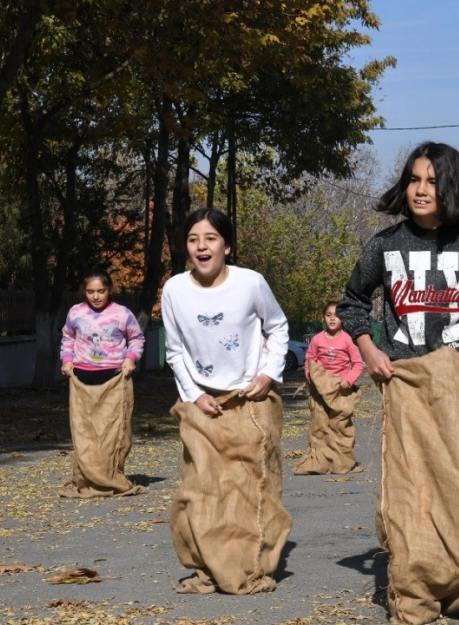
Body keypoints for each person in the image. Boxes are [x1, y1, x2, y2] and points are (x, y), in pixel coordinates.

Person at [337, 141, 459, 624]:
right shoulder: (383, 245)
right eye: (415, 179)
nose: (422, 190)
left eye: (433, 180)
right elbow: (353, 303)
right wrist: (369, 350)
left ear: (451, 187)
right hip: (407, 383)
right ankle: (416, 585)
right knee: (413, 489)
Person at [161, 208, 292, 594]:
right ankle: (207, 566)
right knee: (200, 489)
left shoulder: (250, 283)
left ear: (227, 245)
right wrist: (195, 395)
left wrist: (267, 375)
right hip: (202, 403)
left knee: (253, 488)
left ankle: (253, 565)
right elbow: (175, 351)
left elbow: (279, 327)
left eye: (211, 238)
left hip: (250, 401)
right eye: (193, 239)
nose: (202, 246)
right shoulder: (174, 290)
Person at [58, 267, 145, 498]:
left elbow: (136, 338)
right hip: (82, 379)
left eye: (101, 291)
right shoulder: (75, 312)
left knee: (113, 431)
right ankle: (86, 478)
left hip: (114, 378)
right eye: (90, 291)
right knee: (84, 432)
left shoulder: (122, 313)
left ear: (109, 290)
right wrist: (66, 360)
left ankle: (111, 477)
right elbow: (67, 338)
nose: (96, 296)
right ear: (84, 292)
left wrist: (130, 359)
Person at [295, 301, 365, 475]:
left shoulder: (347, 339)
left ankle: (343, 462)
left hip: (340, 390)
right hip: (320, 390)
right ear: (324, 318)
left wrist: (347, 381)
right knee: (319, 426)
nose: (332, 319)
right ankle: (321, 461)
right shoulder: (317, 339)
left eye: (336, 315)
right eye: (329, 315)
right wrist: (312, 378)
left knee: (340, 425)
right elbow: (309, 360)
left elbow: (357, 364)